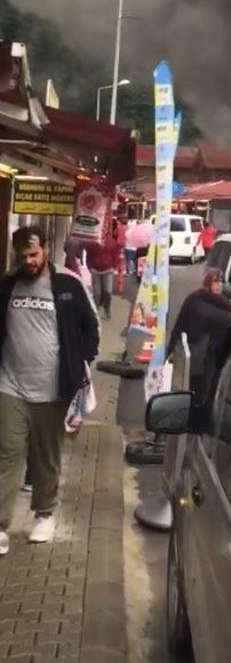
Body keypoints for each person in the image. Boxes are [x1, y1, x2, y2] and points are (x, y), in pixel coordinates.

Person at [0, 226, 99, 553]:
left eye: (34, 254)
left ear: (45, 249)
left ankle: (44, 514)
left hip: (52, 392)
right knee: (8, 455)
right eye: (23, 256)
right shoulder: (8, 285)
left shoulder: (68, 285)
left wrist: (79, 363)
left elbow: (91, 329)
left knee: (46, 458)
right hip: (9, 386)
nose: (28, 261)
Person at [166, 267, 231, 403]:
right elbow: (213, 317)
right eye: (215, 281)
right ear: (208, 283)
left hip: (213, 355)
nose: (218, 285)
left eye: (221, 281)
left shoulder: (223, 303)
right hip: (196, 355)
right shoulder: (197, 299)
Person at [85, 225, 120, 319]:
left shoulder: (112, 242)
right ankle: (95, 310)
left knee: (107, 292)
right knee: (97, 293)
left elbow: (116, 255)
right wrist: (90, 267)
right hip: (95, 271)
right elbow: (88, 255)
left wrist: (114, 267)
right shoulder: (93, 242)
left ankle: (107, 308)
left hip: (108, 270)